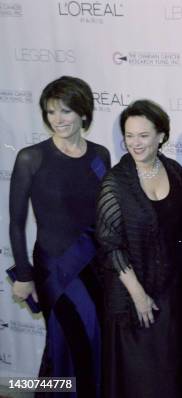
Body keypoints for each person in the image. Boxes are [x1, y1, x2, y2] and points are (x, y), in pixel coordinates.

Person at [9, 76, 109, 397]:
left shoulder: (100, 155)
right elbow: (16, 222)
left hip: (94, 266)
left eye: (66, 111)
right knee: (69, 336)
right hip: (54, 267)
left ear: (83, 113)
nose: (58, 119)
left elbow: (105, 214)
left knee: (89, 339)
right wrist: (24, 275)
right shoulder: (31, 157)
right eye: (51, 112)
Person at [95, 99, 182, 398]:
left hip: (171, 291)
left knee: (168, 374)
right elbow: (110, 245)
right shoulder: (115, 183)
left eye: (143, 135)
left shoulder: (175, 171)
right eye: (129, 135)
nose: (135, 143)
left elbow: (181, 220)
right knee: (138, 378)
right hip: (131, 292)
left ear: (161, 135)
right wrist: (138, 296)